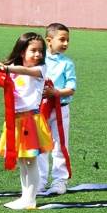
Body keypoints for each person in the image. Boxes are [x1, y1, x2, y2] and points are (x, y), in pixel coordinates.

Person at [0, 32, 53, 210]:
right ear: (22, 51)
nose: (38, 54)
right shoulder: (13, 68)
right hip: (15, 121)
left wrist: (6, 68)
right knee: (22, 162)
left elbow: (25, 71)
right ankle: (25, 196)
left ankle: (31, 199)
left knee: (30, 161)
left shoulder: (40, 69)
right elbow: (0, 76)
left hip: (30, 120)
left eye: (40, 51)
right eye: (33, 50)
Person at [37, 23, 76, 196]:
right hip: (40, 109)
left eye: (67, 40)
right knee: (41, 145)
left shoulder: (67, 63)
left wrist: (56, 92)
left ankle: (60, 180)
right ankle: (39, 180)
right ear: (49, 40)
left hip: (61, 110)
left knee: (60, 145)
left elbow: (71, 88)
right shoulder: (39, 60)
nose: (66, 43)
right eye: (62, 39)